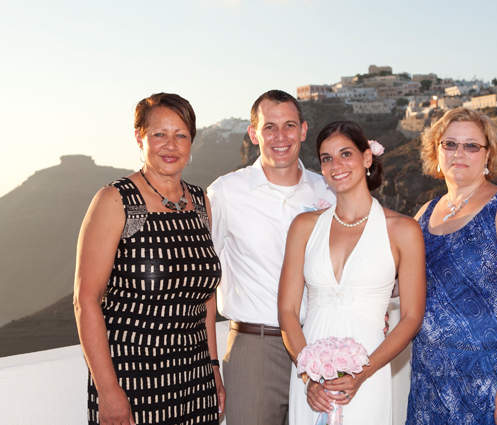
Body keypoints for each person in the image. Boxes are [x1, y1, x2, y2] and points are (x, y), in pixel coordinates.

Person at [74, 93, 224, 425]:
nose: (170, 145)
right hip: (134, 379)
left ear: (191, 142)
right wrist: (109, 392)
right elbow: (86, 300)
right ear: (140, 137)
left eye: (181, 135)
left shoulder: (201, 202)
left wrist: (214, 369)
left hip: (195, 378)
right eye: (160, 134)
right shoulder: (115, 200)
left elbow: (206, 300)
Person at [278, 121, 426, 424]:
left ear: (367, 158)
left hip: (368, 372)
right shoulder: (304, 227)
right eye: (327, 158)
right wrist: (308, 375)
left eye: (346, 154)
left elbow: (412, 316)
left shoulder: (403, 230)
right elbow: (288, 310)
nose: (336, 165)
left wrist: (364, 372)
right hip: (310, 374)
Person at [406, 107, 497, 425]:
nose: (459, 153)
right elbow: (402, 281)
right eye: (450, 144)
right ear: (436, 151)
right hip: (431, 382)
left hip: (490, 382)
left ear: (488, 155)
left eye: (471, 145)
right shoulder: (425, 213)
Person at [207, 90, 336, 424]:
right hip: (254, 349)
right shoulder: (224, 193)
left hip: (320, 345)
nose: (281, 137)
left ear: (304, 131)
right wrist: (210, 363)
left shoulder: (328, 191)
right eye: (270, 127)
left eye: (289, 125)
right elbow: (203, 280)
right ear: (254, 134)